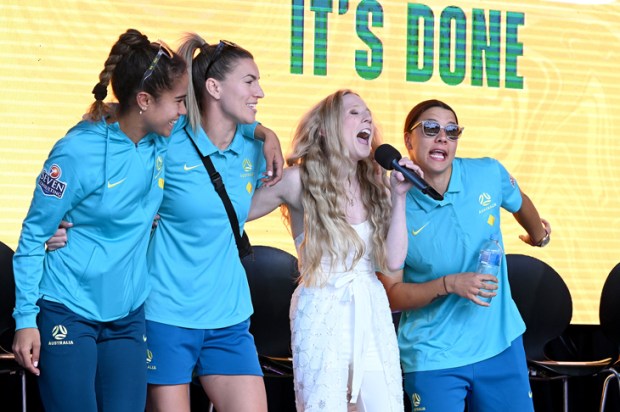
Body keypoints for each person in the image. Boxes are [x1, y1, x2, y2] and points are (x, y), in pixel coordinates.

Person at [11, 29, 189, 412]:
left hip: (128, 315)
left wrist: (263, 133)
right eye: (178, 101)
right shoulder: (77, 151)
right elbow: (33, 235)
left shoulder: (162, 138)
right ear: (144, 100)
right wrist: (25, 319)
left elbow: (220, 121)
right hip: (68, 306)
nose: (184, 111)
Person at [378, 99, 551, 412]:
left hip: (499, 343)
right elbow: (392, 295)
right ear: (408, 140)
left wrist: (539, 235)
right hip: (433, 355)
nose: (442, 137)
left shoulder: (486, 173)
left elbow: (518, 199)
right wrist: (449, 284)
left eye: (452, 131)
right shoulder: (393, 205)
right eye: (430, 128)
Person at [248, 89, 416, 411]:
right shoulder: (298, 180)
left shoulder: (377, 185)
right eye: (354, 112)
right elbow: (231, 214)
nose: (367, 118)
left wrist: (399, 197)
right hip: (322, 306)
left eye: (368, 113)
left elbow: (394, 261)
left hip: (371, 307)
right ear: (325, 129)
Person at [142, 33, 273, 412]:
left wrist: (267, 133)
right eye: (249, 81)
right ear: (213, 88)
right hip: (166, 314)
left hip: (229, 317)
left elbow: (240, 207)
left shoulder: (256, 147)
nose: (260, 92)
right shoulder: (168, 140)